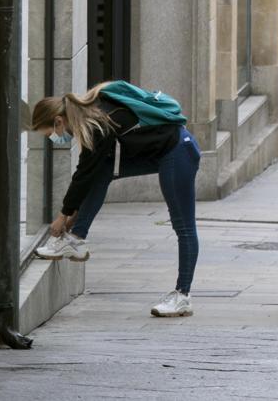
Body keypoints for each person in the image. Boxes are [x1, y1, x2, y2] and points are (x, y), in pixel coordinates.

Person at [30, 81, 201, 318]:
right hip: (158, 152)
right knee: (104, 169)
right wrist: (75, 215)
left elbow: (83, 174)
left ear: (58, 121)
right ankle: (78, 239)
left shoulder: (96, 124)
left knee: (183, 226)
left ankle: (183, 296)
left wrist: (63, 216)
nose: (54, 138)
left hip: (177, 151)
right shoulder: (94, 110)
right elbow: (91, 173)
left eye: (50, 134)